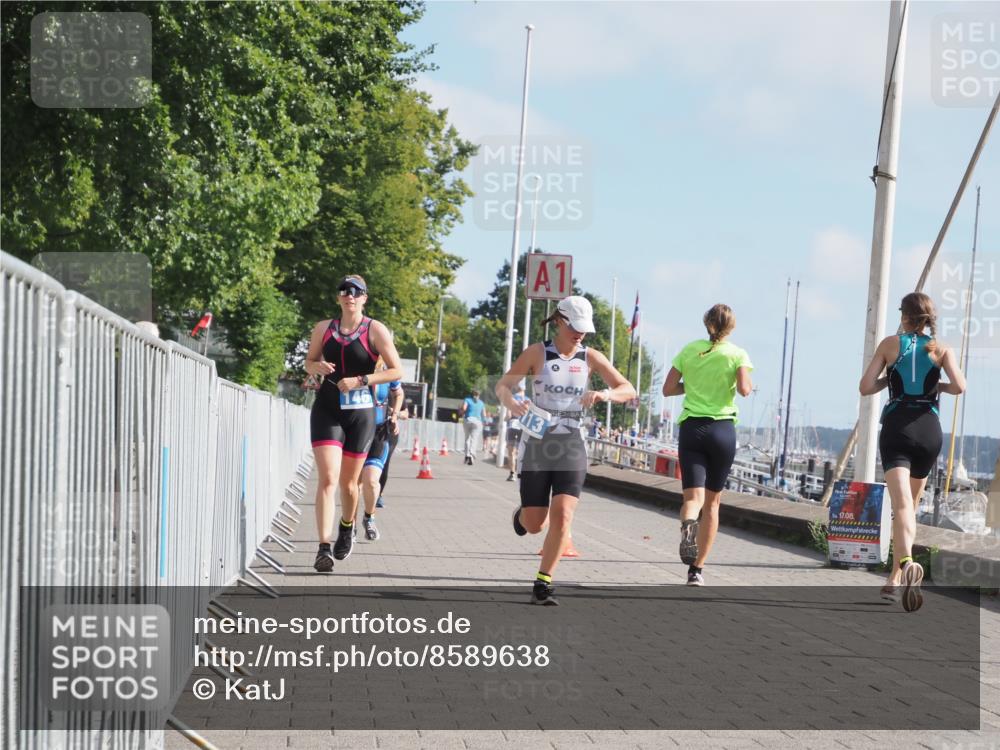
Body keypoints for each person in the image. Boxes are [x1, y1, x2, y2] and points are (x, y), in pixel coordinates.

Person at [497, 295, 635, 605]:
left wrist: (604, 394)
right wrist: (512, 403)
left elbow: (628, 389)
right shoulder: (537, 353)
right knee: (535, 524)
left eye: (585, 330)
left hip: (572, 441)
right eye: (575, 327)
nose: (580, 335)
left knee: (564, 514)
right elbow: (503, 386)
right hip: (537, 440)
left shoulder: (590, 358)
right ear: (559, 321)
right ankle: (522, 517)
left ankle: (543, 582)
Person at [859, 292, 964, 612]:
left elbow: (865, 386)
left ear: (904, 315)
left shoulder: (891, 344)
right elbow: (959, 386)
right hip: (929, 430)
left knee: (901, 506)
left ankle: (905, 563)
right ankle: (893, 580)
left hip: (898, 428)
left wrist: (888, 380)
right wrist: (938, 388)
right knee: (911, 507)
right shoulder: (941, 348)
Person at [304, 275, 403, 572]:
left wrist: (362, 379)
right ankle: (323, 548)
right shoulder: (324, 328)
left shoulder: (375, 329)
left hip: (360, 412)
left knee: (349, 484)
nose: (350, 295)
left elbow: (396, 370)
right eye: (345, 291)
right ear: (338, 298)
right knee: (328, 479)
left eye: (356, 292)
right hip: (328, 408)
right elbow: (308, 362)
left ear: (364, 298)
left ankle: (347, 527)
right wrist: (316, 366)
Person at [662, 303, 753, 586]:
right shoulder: (737, 354)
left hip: (692, 429)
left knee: (692, 500)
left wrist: (695, 384)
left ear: (706, 323)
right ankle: (696, 571)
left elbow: (668, 389)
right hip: (722, 430)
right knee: (712, 505)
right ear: (732, 327)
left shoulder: (689, 350)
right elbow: (744, 390)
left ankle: (688, 526)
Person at [359, 357, 404, 538]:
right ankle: (349, 525)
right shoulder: (357, 371)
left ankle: (369, 518)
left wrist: (394, 415)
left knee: (371, 481)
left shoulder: (388, 373)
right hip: (356, 432)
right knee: (353, 485)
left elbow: (399, 394)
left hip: (379, 433)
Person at [504, 384, 526, 481]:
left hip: (513, 425)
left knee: (511, 451)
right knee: (521, 451)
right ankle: (520, 472)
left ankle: (512, 473)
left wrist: (504, 420)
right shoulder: (528, 400)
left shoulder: (511, 399)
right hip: (523, 426)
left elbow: (508, 415)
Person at [460, 389, 486, 465]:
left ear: (472, 394)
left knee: (467, 438)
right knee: (474, 439)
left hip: (468, 419)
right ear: (479, 395)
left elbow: (464, 408)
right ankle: (472, 455)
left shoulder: (467, 400)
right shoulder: (481, 403)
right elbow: (484, 414)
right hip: (477, 422)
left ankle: (467, 455)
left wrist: (461, 412)